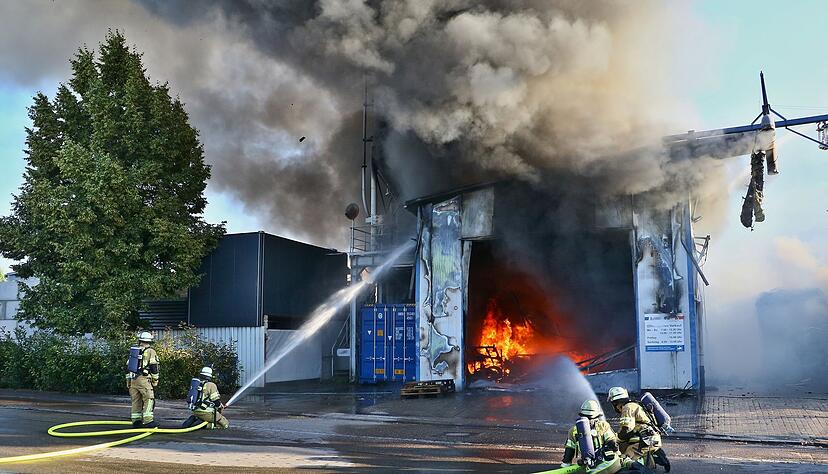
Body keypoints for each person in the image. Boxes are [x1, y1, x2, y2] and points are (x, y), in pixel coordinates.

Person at [607, 387, 670, 472]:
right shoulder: (635, 404)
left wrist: (615, 439)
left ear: (615, 403)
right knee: (622, 447)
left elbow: (626, 430)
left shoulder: (627, 408)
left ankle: (648, 467)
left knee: (625, 462)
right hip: (652, 439)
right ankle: (656, 456)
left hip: (646, 441)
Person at [560, 399, 622, 474]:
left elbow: (569, 451)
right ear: (597, 415)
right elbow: (612, 443)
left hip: (588, 466)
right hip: (607, 463)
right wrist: (619, 455)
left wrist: (565, 466)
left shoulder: (573, 430)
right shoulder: (603, 426)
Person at [126, 331, 159, 428]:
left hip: (133, 379)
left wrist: (128, 381)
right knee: (149, 399)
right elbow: (153, 366)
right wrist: (155, 380)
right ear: (150, 341)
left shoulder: (134, 351)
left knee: (136, 400)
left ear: (140, 340)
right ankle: (148, 421)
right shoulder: (151, 351)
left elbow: (127, 366)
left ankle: (136, 421)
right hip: (143, 379)